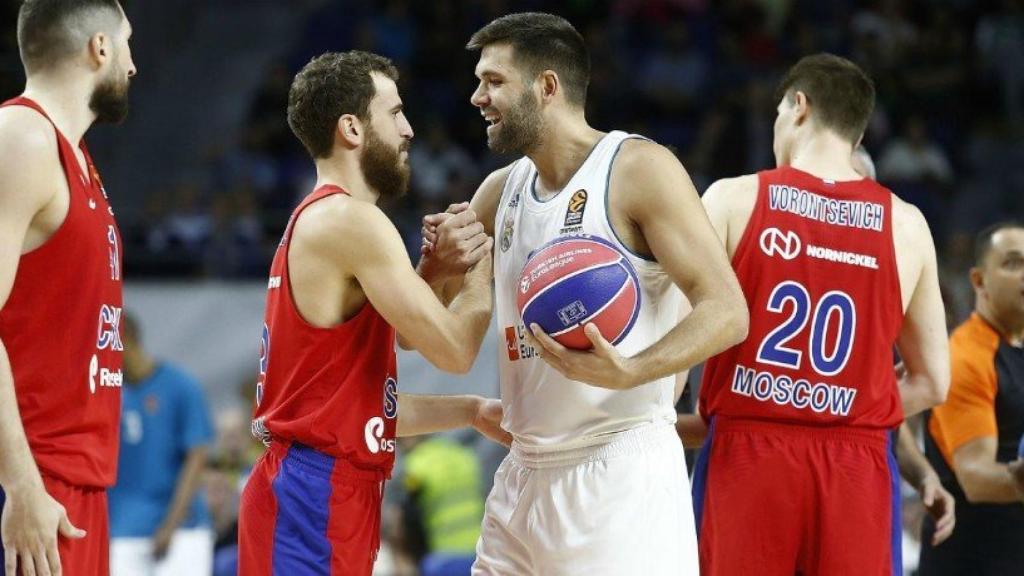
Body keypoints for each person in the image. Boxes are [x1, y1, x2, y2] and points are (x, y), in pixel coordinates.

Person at [423, 13, 748, 575]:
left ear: (547, 86)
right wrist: (432, 267)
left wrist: (634, 368)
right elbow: (430, 337)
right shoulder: (498, 192)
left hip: (619, 471)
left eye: (494, 80)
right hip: (522, 473)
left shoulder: (637, 169)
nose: (477, 97)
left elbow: (728, 309)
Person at [236, 51, 508, 576]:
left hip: (326, 490)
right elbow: (453, 349)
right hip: (311, 495)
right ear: (352, 128)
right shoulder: (351, 220)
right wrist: (479, 266)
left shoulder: (333, 221)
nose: (408, 130)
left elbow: (360, 410)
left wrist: (471, 410)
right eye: (395, 113)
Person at [693, 54, 950, 575]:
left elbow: (674, 362)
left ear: (798, 106)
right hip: (854, 461)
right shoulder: (908, 224)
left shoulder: (732, 198)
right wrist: (848, 400)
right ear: (856, 136)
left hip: (747, 453)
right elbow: (933, 382)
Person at [0, 1, 135, 574]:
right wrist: (21, 484)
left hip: (74, 482)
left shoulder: (74, 155)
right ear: (99, 47)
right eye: (128, 44)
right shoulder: (21, 138)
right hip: (29, 482)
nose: (133, 65)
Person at [919, 221, 1024, 574]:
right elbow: (977, 477)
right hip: (972, 562)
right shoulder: (966, 357)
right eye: (1013, 263)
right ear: (978, 281)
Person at [108, 312, 215, 576]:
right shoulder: (106, 391)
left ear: (125, 340)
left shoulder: (181, 386)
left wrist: (171, 525)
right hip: (123, 529)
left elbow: (197, 456)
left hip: (182, 532)